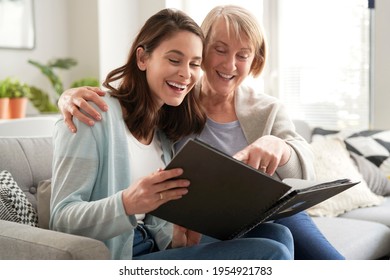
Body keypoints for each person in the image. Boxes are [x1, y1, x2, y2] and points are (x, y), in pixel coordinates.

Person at [57, 5, 344, 260]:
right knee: (274, 250)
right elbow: (63, 219)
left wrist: (279, 146)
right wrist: (67, 96)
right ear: (143, 58)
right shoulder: (120, 114)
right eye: (219, 50)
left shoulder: (165, 125)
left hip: (193, 232)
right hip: (125, 253)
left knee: (281, 234)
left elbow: (302, 159)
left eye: (192, 63)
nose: (185, 73)